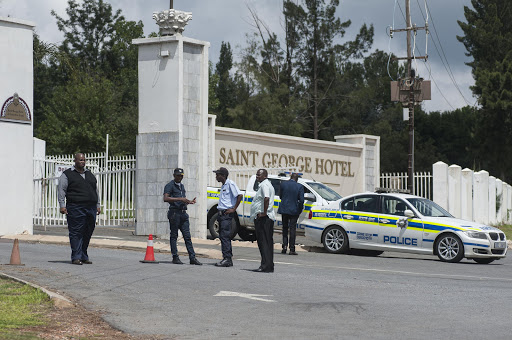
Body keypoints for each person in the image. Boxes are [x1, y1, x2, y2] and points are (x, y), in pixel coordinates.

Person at [58, 153, 100, 265]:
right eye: (80, 160)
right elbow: (62, 190)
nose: (82, 162)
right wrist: (62, 205)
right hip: (75, 207)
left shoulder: (89, 174)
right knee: (76, 232)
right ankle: (76, 257)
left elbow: (95, 190)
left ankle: (83, 255)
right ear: (75, 160)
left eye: (84, 160)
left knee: (88, 231)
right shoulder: (67, 174)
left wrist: (98, 205)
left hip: (90, 207)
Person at [163, 168, 202, 265]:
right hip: (174, 213)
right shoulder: (170, 185)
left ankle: (192, 257)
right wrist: (180, 199)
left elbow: (182, 200)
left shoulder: (182, 186)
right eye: (178, 175)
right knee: (174, 235)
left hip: (183, 213)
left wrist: (189, 202)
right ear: (174, 175)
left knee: (187, 236)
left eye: (181, 176)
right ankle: (175, 256)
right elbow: (166, 198)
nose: (179, 177)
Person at [213, 167, 243, 267]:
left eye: (218, 174)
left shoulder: (230, 184)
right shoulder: (223, 185)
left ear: (223, 176)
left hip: (226, 214)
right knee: (222, 236)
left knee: (225, 236)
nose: (216, 176)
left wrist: (234, 209)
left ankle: (227, 259)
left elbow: (239, 195)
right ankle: (226, 257)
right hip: (221, 214)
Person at [250, 169, 276, 273]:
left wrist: (264, 212)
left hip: (264, 218)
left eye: (259, 175)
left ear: (265, 176)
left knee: (263, 242)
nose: (257, 177)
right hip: (267, 217)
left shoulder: (264, 185)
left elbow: (266, 198)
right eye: (256, 175)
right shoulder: (267, 184)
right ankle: (269, 265)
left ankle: (265, 265)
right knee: (267, 242)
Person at [278, 173, 304, 255]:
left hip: (284, 209)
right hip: (294, 210)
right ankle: (292, 249)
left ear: (291, 177)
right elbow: (302, 200)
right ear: (297, 179)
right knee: (292, 229)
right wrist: (299, 209)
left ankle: (284, 247)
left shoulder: (283, 184)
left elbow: (280, 196)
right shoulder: (299, 186)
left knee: (285, 228)